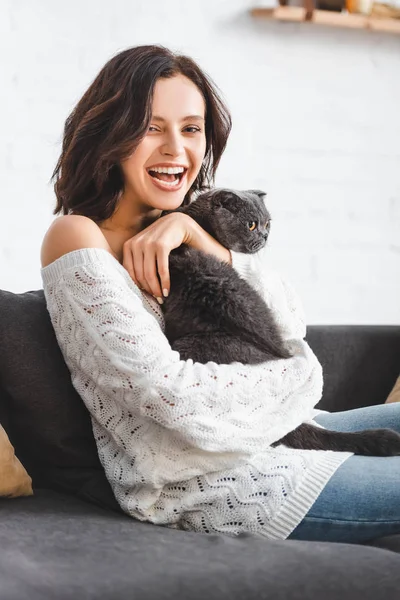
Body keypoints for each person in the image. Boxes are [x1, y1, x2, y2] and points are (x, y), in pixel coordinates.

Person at [40, 44, 400, 544]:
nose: (175, 149)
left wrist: (204, 241)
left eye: (190, 129)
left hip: (280, 433)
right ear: (110, 134)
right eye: (150, 127)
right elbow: (168, 394)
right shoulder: (78, 237)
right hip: (204, 481)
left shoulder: (188, 225)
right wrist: (293, 377)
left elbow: (286, 327)